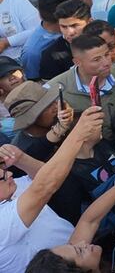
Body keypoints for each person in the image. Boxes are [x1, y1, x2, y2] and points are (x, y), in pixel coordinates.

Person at [0, 105, 103, 271]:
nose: (10, 174)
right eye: (3, 177)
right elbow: (45, 185)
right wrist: (79, 133)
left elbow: (46, 175)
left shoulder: (11, 187)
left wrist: (20, 158)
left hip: (80, 244)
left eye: (5, 170)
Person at [46, 34, 115, 139]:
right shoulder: (54, 91)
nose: (106, 62)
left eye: (107, 54)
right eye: (96, 59)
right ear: (77, 62)